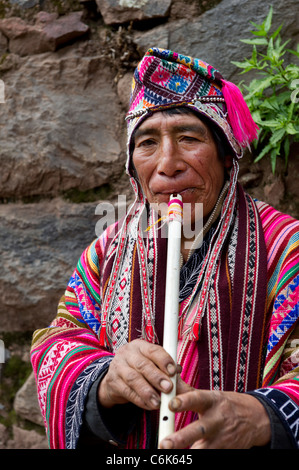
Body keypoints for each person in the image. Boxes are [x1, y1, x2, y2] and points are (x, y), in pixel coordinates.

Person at [31, 47, 299, 449]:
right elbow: (59, 344)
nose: (168, 163)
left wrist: (266, 415)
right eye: (147, 143)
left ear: (226, 156)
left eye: (189, 138)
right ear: (133, 167)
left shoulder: (285, 248)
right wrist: (105, 379)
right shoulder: (104, 255)